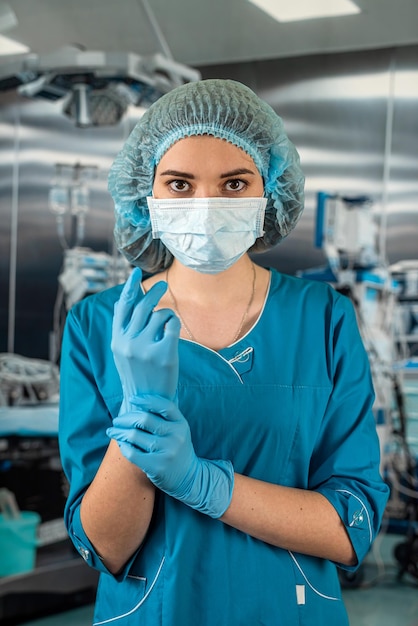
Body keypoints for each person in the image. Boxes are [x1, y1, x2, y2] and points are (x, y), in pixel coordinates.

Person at [58, 78, 389, 626]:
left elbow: (350, 526)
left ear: (268, 191)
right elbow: (104, 546)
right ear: (148, 194)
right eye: (180, 184)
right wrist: (140, 415)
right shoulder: (97, 325)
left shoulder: (322, 318)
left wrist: (198, 480)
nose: (207, 205)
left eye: (234, 183)